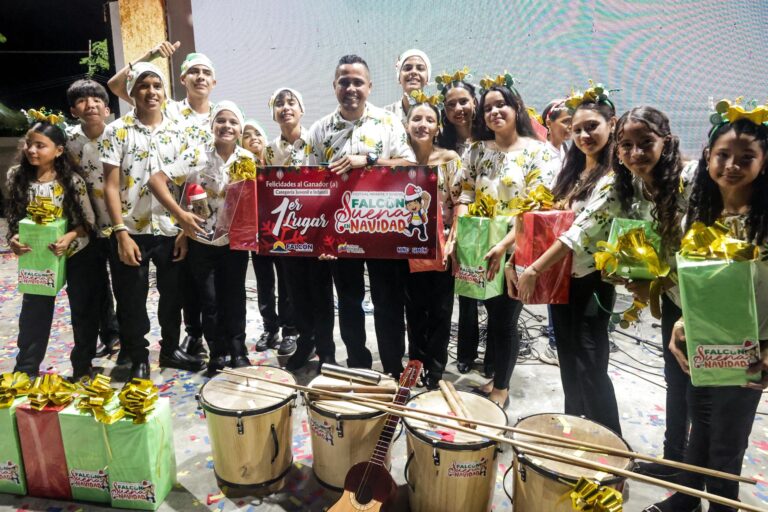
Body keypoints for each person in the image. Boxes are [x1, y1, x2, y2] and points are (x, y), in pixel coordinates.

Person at [644, 111, 768, 512]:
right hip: (704, 339)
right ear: (707, 157)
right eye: (722, 155)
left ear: (764, 162)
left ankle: (721, 507)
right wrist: (682, 323)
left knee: (728, 440)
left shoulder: (764, 224)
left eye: (745, 157)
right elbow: (698, 287)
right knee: (700, 427)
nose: (731, 166)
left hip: (752, 345)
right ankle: (685, 499)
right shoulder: (698, 215)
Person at [509, 86, 623, 433]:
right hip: (562, 281)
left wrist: (533, 269)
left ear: (612, 125)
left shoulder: (613, 178)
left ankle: (609, 438)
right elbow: (545, 221)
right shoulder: (572, 173)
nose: (584, 135)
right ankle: (575, 425)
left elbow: (580, 232)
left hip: (593, 283)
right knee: (568, 358)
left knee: (591, 362)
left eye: (592, 127)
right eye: (577, 129)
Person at [305, 54, 415, 377]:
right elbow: (310, 187)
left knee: (388, 304)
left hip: (384, 232)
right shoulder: (319, 130)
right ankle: (359, 367)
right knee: (350, 305)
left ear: (370, 86)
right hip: (340, 235)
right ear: (334, 86)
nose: (351, 87)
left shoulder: (389, 123)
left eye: (357, 82)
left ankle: (393, 367)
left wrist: (366, 159)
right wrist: (320, 238)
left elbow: (410, 167)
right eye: (344, 81)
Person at [451, 79, 559, 407]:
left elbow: (538, 207)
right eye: (487, 108)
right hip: (480, 246)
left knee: (505, 319)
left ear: (516, 109)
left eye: (502, 105)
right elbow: (464, 191)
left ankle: (502, 388)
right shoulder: (477, 150)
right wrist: (464, 234)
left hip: (516, 250)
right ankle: (494, 376)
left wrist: (505, 245)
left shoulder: (539, 152)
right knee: (489, 310)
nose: (495, 112)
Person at [108, 41, 217, 359]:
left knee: (175, 297)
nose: (151, 91)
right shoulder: (148, 117)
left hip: (173, 228)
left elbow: (195, 182)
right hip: (134, 225)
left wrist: (187, 227)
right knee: (131, 297)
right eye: (193, 71)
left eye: (206, 72)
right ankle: (136, 353)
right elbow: (120, 83)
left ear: (214, 80)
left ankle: (175, 348)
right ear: (182, 80)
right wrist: (152, 56)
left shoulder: (197, 124)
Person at [612, 106, 695, 480]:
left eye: (646, 143)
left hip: (706, 303)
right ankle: (673, 461)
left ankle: (694, 474)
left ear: (667, 141)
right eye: (626, 145)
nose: (636, 153)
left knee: (701, 394)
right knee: (675, 381)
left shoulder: (690, 180)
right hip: (675, 300)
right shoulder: (634, 186)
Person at [148, 101, 252, 375]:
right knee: (210, 300)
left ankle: (238, 351)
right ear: (211, 125)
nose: (227, 126)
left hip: (235, 243)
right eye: (221, 120)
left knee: (235, 297)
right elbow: (157, 180)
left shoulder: (248, 160)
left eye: (233, 122)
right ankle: (217, 354)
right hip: (202, 242)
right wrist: (181, 217)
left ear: (240, 128)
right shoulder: (196, 156)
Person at [6, 117, 96, 379]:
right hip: (38, 258)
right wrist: (13, 239)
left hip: (75, 253)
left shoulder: (72, 181)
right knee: (34, 312)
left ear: (58, 151)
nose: (32, 150)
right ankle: (26, 369)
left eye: (40, 146)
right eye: (29, 144)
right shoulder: (17, 177)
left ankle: (82, 367)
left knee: (82, 310)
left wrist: (69, 237)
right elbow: (14, 218)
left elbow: (87, 223)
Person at [264, 87, 337, 370]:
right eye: (279, 103)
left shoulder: (317, 141)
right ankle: (306, 341)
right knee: (296, 293)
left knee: (321, 293)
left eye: (291, 102)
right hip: (287, 235)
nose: (285, 107)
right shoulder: (270, 150)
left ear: (302, 109)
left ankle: (327, 349)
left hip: (317, 231)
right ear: (273, 113)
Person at [433, 73, 491, 376]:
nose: (459, 108)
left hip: (489, 223)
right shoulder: (442, 144)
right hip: (455, 224)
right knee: (466, 294)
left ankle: (493, 357)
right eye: (451, 103)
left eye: (464, 101)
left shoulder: (490, 136)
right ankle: (466, 352)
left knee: (493, 296)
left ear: (475, 103)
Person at [404, 98, 461, 389]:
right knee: (413, 310)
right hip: (406, 246)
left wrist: (453, 239)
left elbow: (461, 199)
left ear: (437, 127)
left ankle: (436, 369)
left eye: (429, 120)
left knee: (440, 310)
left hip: (441, 246)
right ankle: (415, 361)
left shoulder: (449, 158)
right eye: (416, 119)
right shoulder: (399, 160)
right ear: (406, 124)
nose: (422, 124)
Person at [64, 79, 121, 360]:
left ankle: (126, 337)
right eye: (83, 101)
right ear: (74, 110)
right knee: (97, 285)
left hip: (121, 223)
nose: (91, 105)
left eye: (97, 99)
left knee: (125, 285)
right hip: (88, 227)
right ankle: (109, 335)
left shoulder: (118, 135)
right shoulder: (68, 142)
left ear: (108, 108)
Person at [247, 105, 298, 356]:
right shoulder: (240, 168)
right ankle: (270, 328)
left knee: (287, 283)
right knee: (264, 284)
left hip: (283, 232)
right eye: (247, 135)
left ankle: (290, 330)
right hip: (257, 235)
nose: (253, 138)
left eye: (257, 133)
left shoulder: (276, 162)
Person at [537, 98, 572, 366]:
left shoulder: (569, 153)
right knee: (553, 282)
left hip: (564, 223)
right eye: (566, 122)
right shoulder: (541, 153)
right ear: (549, 122)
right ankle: (553, 341)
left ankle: (557, 339)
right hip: (547, 224)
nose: (570, 128)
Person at [384, 49, 431, 123]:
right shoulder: (385, 115)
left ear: (427, 78)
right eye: (407, 68)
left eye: (420, 68)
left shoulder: (437, 113)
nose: (414, 72)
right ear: (399, 78)